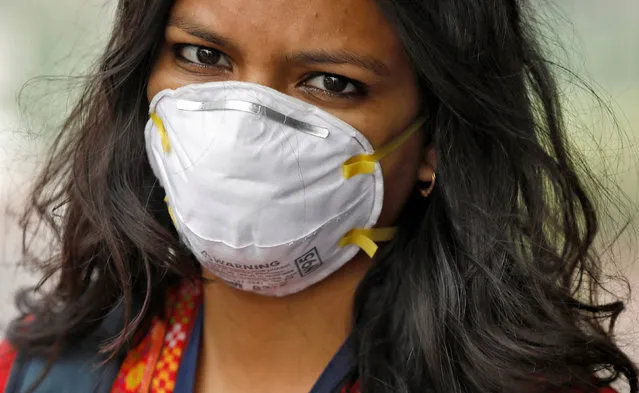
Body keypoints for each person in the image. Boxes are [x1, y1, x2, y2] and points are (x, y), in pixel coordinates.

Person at [0, 0, 636, 392]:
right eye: (202, 55)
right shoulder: (43, 374)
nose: (244, 133)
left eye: (331, 82)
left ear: (438, 137)